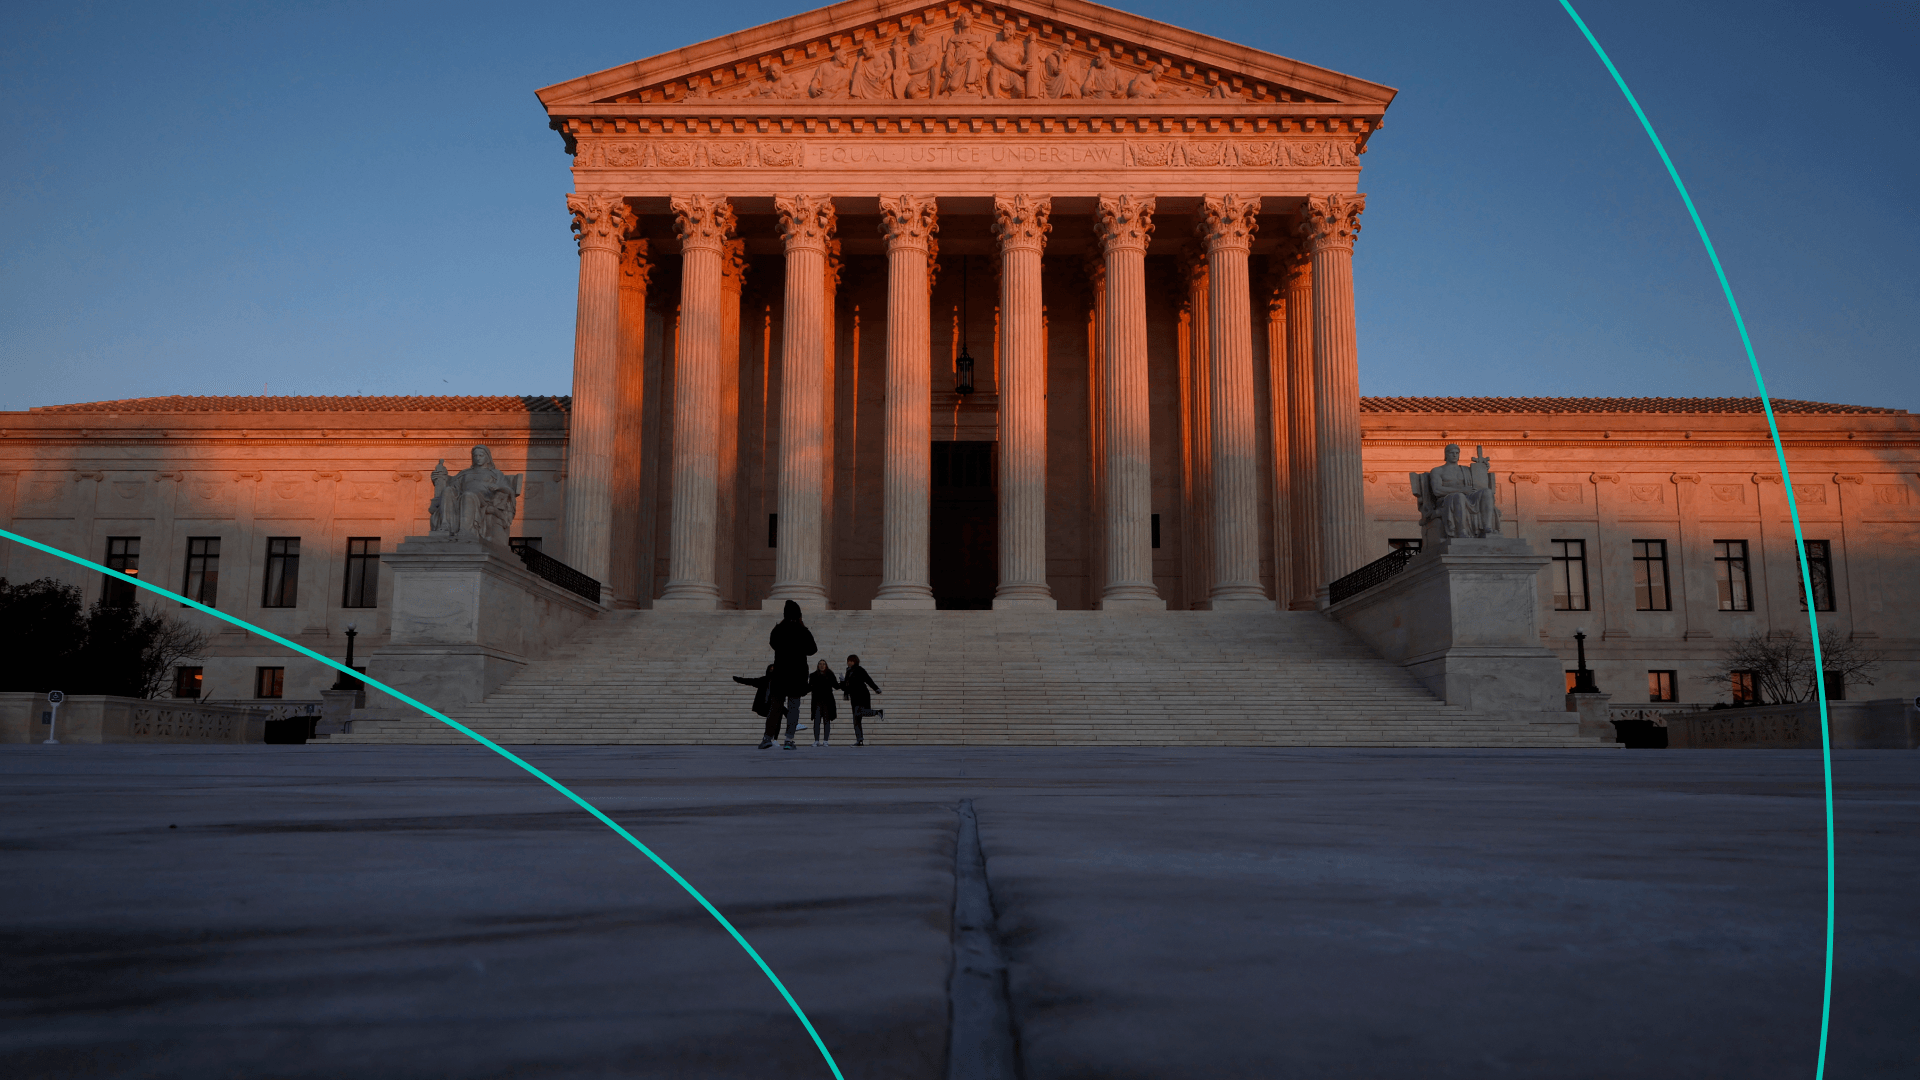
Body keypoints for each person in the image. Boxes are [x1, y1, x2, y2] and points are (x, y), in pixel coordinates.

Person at [769, 600, 817, 750]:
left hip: (780, 675)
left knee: (776, 707)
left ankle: (767, 737)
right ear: (799, 615)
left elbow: (773, 644)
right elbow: (812, 650)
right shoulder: (803, 631)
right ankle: (788, 740)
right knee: (793, 707)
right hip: (797, 675)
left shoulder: (778, 630)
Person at [732, 663, 781, 750]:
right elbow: (750, 681)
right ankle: (771, 737)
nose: (772, 672)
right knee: (778, 711)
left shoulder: (778, 682)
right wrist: (738, 679)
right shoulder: (763, 680)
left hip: (772, 706)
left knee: (778, 713)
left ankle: (774, 738)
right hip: (763, 706)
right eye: (771, 670)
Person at [841, 654, 882, 747]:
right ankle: (859, 740)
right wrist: (842, 681)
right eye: (848, 661)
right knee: (856, 719)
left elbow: (868, 679)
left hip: (862, 695)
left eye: (851, 661)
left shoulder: (859, 669)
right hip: (854, 697)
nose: (849, 663)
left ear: (855, 661)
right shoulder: (848, 671)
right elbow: (845, 687)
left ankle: (878, 712)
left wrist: (876, 688)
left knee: (858, 713)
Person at [807, 659, 842, 747]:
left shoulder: (830, 674)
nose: (822, 665)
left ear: (826, 665)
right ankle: (816, 740)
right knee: (817, 721)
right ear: (818, 666)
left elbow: (836, 686)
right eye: (820, 664)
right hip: (817, 701)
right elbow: (809, 687)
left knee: (827, 721)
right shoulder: (813, 675)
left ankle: (825, 740)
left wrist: (843, 681)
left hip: (827, 701)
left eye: (823, 664)